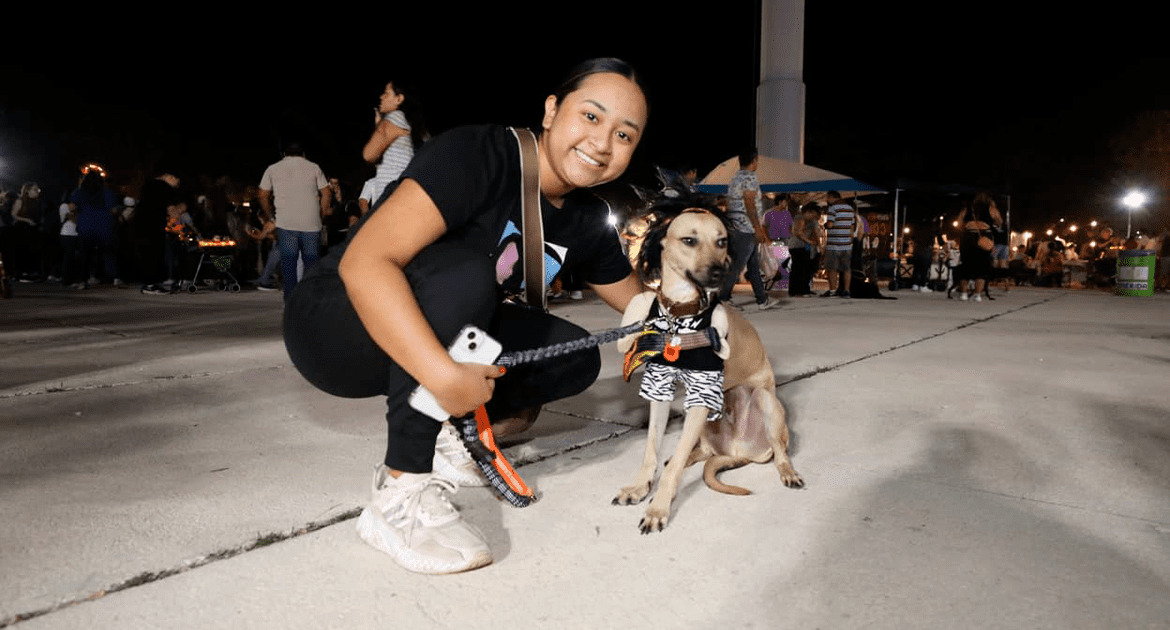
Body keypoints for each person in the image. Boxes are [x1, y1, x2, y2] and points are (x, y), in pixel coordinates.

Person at [282, 58, 649, 575]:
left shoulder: (587, 218)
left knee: (576, 355)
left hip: (429, 328)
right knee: (465, 270)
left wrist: (715, 325)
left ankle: (453, 439)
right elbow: (366, 264)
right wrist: (441, 375)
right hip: (333, 323)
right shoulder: (479, 153)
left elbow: (643, 305)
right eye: (591, 116)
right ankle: (400, 492)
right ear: (551, 111)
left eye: (624, 134)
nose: (603, 142)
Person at [258, 140, 330, 299]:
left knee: (289, 264)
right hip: (311, 223)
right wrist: (321, 215)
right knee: (311, 264)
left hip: (286, 223)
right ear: (303, 154)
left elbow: (262, 195)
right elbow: (326, 193)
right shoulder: (314, 167)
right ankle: (309, 301)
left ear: (284, 154)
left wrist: (271, 217)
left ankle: (290, 302)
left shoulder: (273, 168)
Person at [719, 148, 779, 310]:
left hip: (735, 226)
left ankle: (762, 299)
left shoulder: (734, 178)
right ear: (754, 160)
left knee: (753, 266)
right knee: (737, 265)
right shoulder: (750, 177)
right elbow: (749, 203)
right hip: (746, 229)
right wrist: (757, 228)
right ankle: (723, 298)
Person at [362, 80, 428, 203]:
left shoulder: (394, 117)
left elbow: (368, 154)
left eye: (386, 93)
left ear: (399, 99)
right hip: (405, 195)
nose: (381, 97)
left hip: (390, 197)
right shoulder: (410, 123)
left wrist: (381, 127)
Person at [69, 169, 121, 287]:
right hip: (104, 226)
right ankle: (114, 278)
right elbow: (114, 210)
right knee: (108, 253)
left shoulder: (79, 192)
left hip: (85, 225)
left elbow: (72, 207)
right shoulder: (107, 192)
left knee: (84, 254)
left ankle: (82, 280)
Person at [956, 193, 1002, 301]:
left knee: (966, 264)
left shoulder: (967, 209)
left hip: (968, 237)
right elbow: (999, 222)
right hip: (984, 237)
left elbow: (959, 222)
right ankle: (977, 294)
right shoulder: (991, 209)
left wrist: (967, 226)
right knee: (982, 266)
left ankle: (963, 293)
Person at [821, 191, 857, 297]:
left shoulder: (833, 208)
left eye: (828, 198)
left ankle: (832, 291)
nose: (827, 200)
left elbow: (830, 225)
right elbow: (852, 227)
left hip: (833, 244)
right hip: (847, 245)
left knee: (832, 268)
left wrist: (824, 225)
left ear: (832, 197)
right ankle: (846, 291)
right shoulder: (850, 209)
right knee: (846, 269)